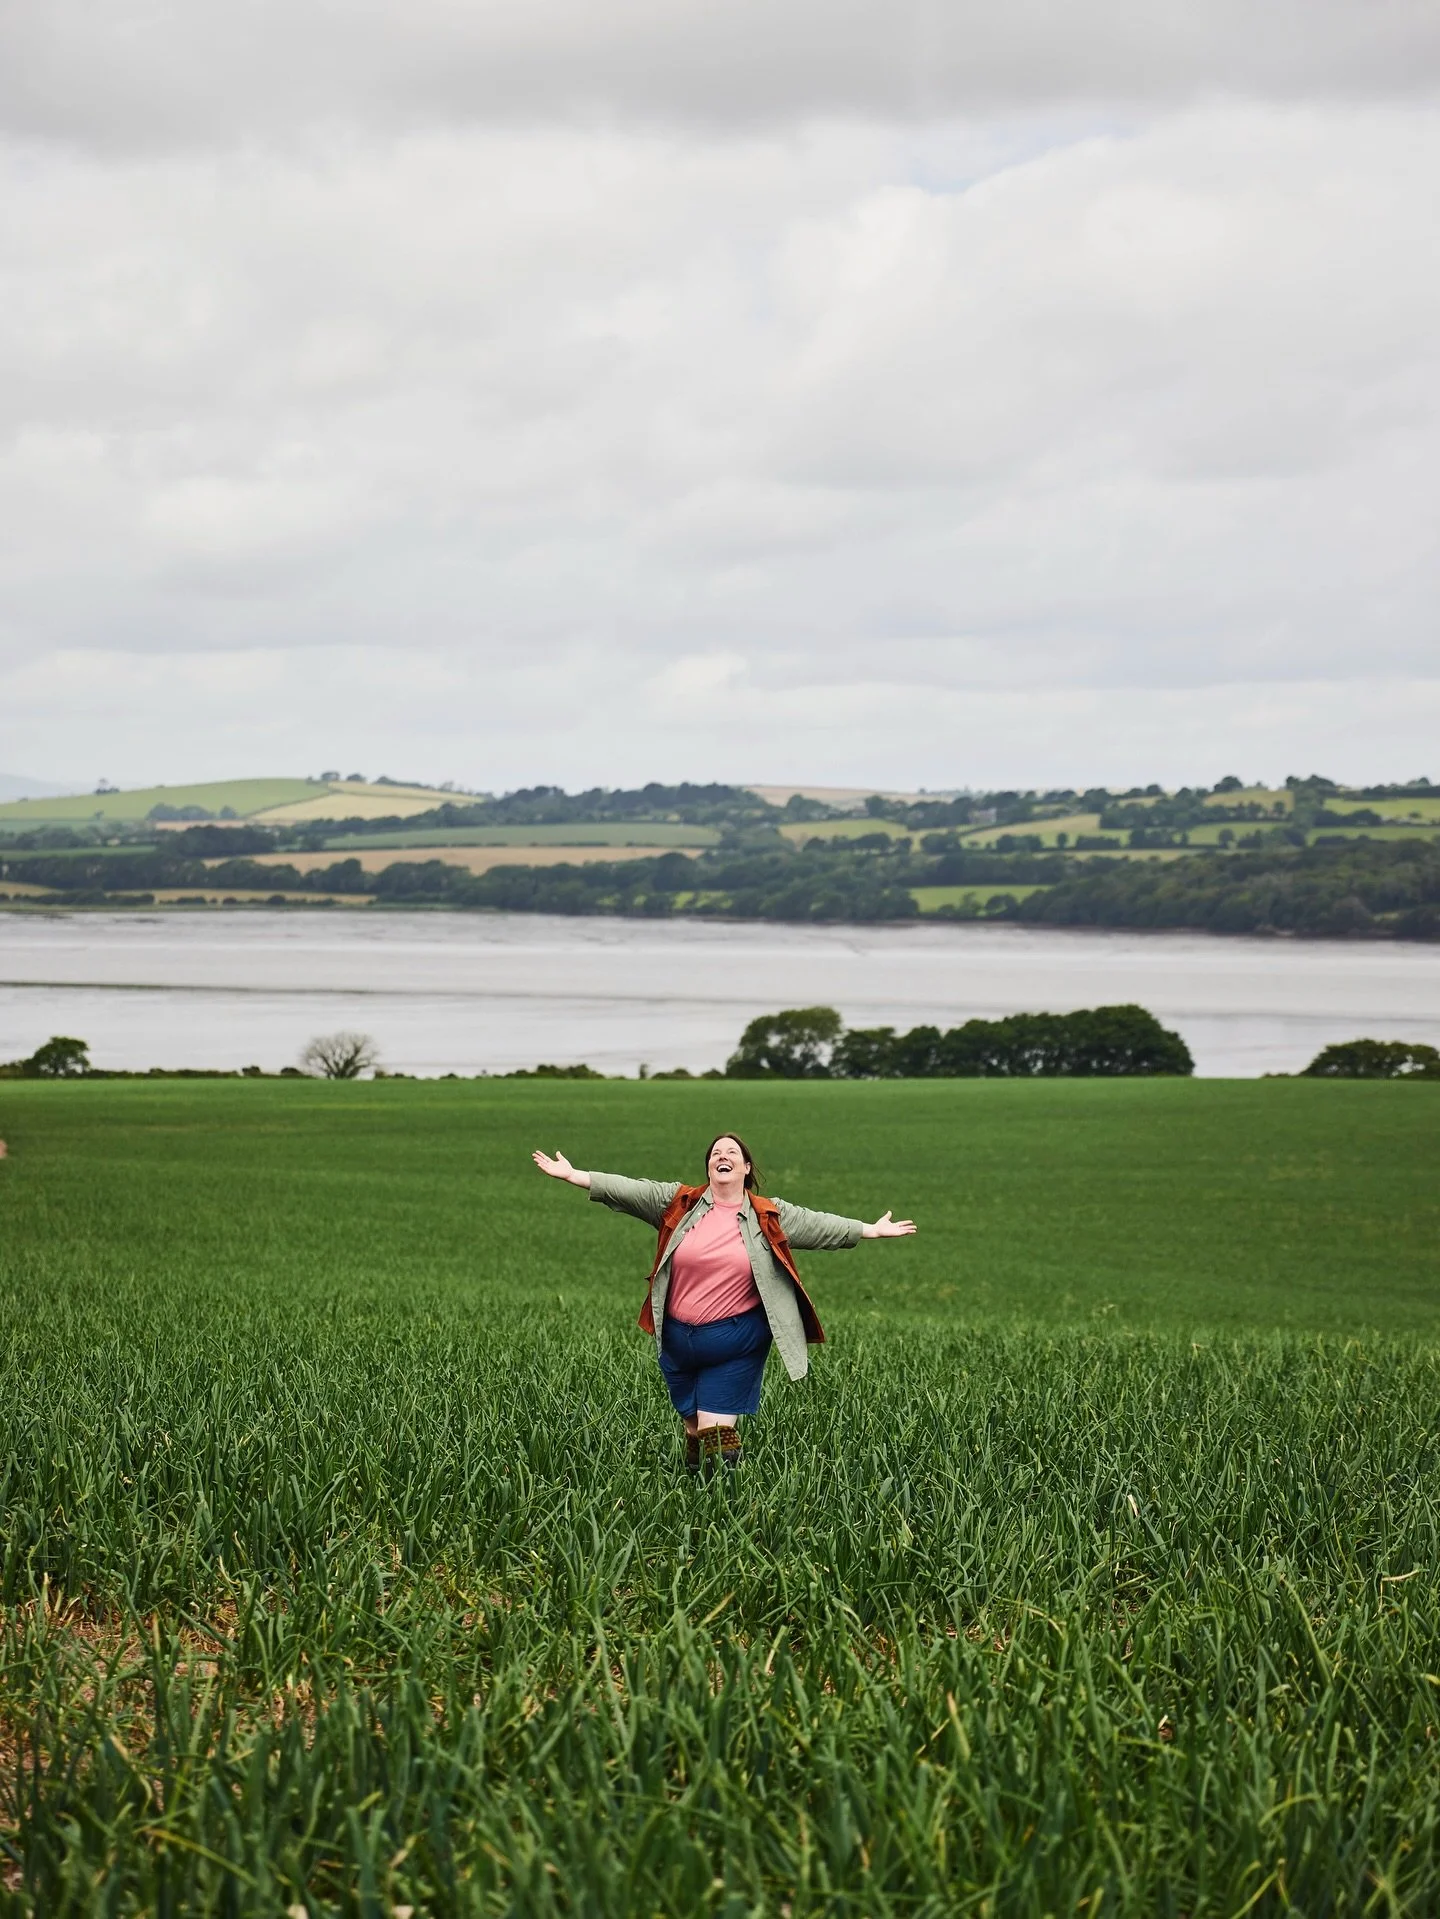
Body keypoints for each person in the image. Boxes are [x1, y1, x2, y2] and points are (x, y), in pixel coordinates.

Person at [532, 1132, 915, 1474]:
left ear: (745, 1168)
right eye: (716, 1152)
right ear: (710, 1167)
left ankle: (726, 1499)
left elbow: (821, 1225)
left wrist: (871, 1230)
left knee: (717, 1427)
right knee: (694, 1426)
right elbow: (628, 1189)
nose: (722, 1155)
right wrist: (573, 1175)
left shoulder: (768, 1214)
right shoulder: (679, 1203)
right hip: (677, 1339)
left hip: (735, 1339)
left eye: (731, 1152)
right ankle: (696, 1493)